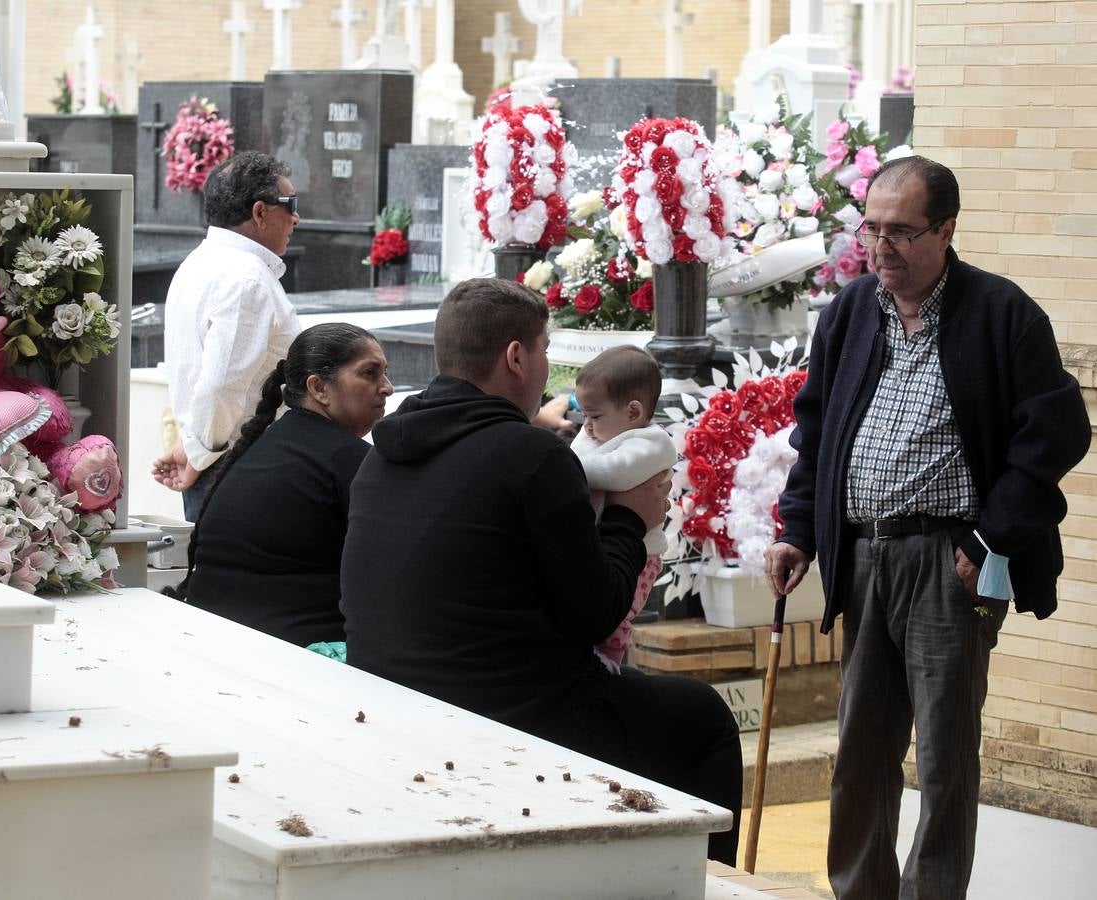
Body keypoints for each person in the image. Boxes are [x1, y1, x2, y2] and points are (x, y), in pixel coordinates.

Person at [763, 156, 1090, 900]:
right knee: (859, 752)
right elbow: (820, 438)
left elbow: (1056, 435)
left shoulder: (1003, 314)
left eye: (902, 233)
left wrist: (990, 540)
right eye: (872, 230)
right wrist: (798, 531)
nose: (882, 248)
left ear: (946, 230)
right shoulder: (849, 312)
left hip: (951, 562)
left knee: (943, 758)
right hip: (866, 555)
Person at [340, 278, 742, 864]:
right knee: (701, 718)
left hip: (391, 699)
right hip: (508, 715)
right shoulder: (532, 456)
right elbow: (595, 612)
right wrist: (630, 519)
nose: (547, 364)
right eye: (546, 349)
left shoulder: (383, 454)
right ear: (516, 356)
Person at [176, 323, 392, 653]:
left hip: (213, 638)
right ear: (319, 387)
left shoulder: (259, 447)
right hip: (295, 655)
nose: (387, 388)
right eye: (370, 373)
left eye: (385, 373)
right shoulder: (353, 461)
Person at [153, 150, 303, 521]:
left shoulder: (202, 261)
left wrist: (196, 450)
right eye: (290, 204)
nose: (296, 217)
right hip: (236, 465)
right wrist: (198, 453)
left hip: (216, 457)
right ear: (259, 212)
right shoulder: (245, 278)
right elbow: (223, 383)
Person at [570, 346, 676, 671]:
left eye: (595, 415)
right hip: (602, 542)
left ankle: (611, 658)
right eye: (584, 415)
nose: (586, 425)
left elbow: (617, 472)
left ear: (632, 412)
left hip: (642, 553)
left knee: (623, 610)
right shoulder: (598, 435)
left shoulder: (652, 442)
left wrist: (562, 468)